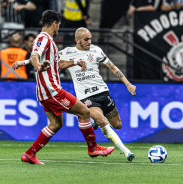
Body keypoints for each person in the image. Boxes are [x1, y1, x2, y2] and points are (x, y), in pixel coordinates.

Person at [12, 10, 114, 165]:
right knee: (85, 112)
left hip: (44, 92)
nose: (58, 27)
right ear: (55, 23)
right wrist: (39, 67)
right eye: (58, 24)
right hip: (52, 90)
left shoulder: (49, 42)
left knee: (56, 124)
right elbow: (34, 56)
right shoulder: (43, 38)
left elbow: (58, 64)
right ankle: (93, 148)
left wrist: (75, 62)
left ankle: (29, 154)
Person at [59, 28, 137, 162]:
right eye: (86, 39)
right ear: (77, 40)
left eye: (90, 38)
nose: (89, 41)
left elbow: (112, 67)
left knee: (118, 125)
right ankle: (126, 152)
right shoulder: (67, 52)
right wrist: (26, 62)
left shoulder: (96, 50)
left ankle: (95, 120)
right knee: (103, 121)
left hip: (103, 92)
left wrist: (128, 84)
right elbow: (55, 62)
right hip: (86, 97)